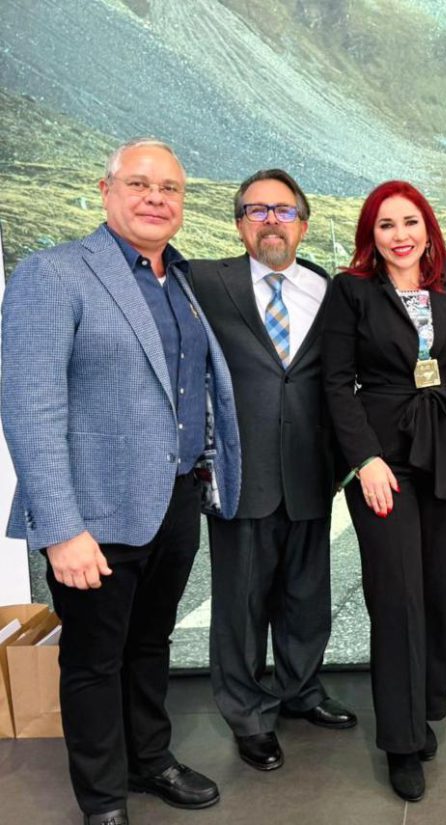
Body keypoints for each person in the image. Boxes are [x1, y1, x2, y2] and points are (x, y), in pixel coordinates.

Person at [1, 138, 241, 825]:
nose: (155, 198)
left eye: (170, 188)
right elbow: (30, 408)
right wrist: (61, 530)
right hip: (94, 516)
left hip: (175, 500)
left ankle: (149, 759)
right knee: (93, 661)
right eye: (139, 183)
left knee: (149, 645)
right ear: (106, 191)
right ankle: (103, 799)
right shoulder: (54, 274)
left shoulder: (183, 281)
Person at [321, 180, 446, 801]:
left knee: (434, 589)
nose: (400, 235)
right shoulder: (352, 291)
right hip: (384, 461)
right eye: (386, 224)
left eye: (410, 222)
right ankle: (399, 740)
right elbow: (336, 384)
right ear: (372, 234)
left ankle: (422, 712)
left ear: (428, 229)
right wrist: (363, 460)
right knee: (395, 596)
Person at [190, 169, 356, 773]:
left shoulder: (328, 289)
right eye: (256, 211)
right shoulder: (204, 281)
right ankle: (248, 716)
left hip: (312, 471)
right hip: (241, 473)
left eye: (283, 211)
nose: (271, 222)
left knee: (307, 597)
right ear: (239, 224)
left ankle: (301, 690)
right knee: (240, 606)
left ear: (303, 224)